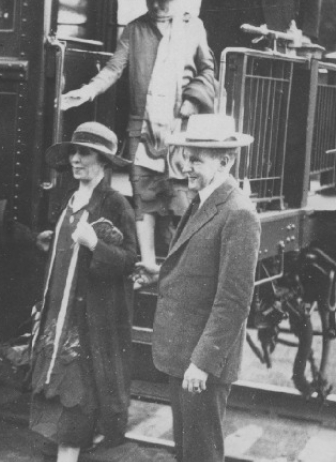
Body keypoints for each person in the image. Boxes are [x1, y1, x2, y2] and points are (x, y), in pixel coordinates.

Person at [61, 0, 216, 288]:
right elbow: (114, 67)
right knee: (144, 199)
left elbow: (208, 71)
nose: (158, 4)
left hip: (179, 130)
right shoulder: (134, 30)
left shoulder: (193, 27)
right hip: (142, 130)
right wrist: (87, 91)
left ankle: (177, 272)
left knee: (180, 198)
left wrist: (192, 102)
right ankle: (148, 266)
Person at [136, 114, 261, 462]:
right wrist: (160, 275)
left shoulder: (238, 213)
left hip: (200, 364)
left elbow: (234, 301)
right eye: (186, 156)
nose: (186, 166)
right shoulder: (203, 199)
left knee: (200, 454)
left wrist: (202, 363)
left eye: (196, 159)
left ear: (226, 160)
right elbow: (196, 270)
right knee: (188, 452)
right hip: (185, 356)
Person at [30, 122, 137, 462]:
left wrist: (95, 245)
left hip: (83, 325)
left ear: (103, 161)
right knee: (53, 406)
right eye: (74, 152)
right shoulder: (71, 199)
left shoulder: (115, 203)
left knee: (75, 406)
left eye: (84, 153)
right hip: (56, 319)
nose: (76, 159)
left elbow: (129, 260)